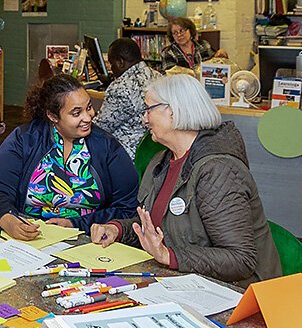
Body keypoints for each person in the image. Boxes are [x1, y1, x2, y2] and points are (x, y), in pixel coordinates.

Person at [90, 75, 281, 286]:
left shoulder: (218, 170)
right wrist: (117, 229)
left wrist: (168, 256)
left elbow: (240, 259)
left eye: (149, 109)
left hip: (237, 295)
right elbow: (157, 228)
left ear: (172, 110)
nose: (144, 119)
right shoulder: (161, 161)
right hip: (188, 284)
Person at [0, 74, 139, 240]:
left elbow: (127, 207)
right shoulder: (24, 139)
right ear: (53, 116)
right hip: (29, 237)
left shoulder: (107, 147)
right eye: (76, 113)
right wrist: (8, 220)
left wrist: (75, 223)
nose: (88, 117)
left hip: (86, 239)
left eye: (88, 107)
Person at [93, 37, 161, 159]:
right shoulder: (158, 76)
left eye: (111, 63)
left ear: (120, 62)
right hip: (155, 153)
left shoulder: (121, 88)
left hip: (126, 156)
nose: (111, 69)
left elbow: (100, 128)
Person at [161, 17, 228, 73]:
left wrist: (221, 55)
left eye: (182, 31)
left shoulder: (203, 45)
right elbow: (170, 75)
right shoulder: (168, 52)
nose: (179, 35)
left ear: (190, 30)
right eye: (175, 33)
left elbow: (214, 63)